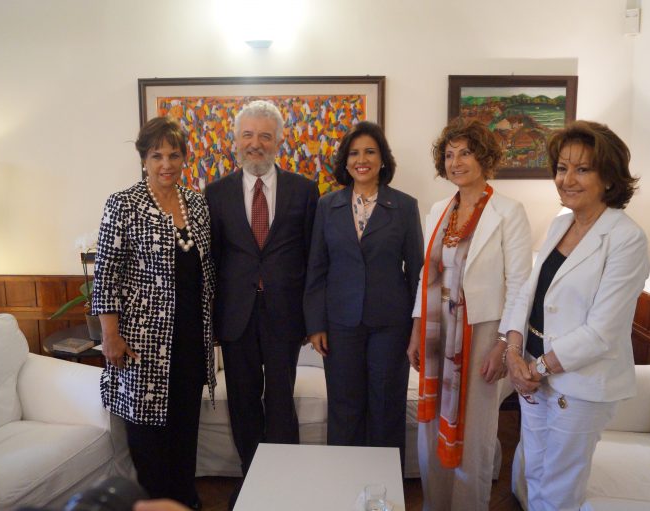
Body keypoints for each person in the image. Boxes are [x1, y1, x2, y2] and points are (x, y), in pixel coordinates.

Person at [505, 120, 650, 511]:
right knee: (532, 471)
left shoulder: (626, 238)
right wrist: (513, 351)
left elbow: (603, 331)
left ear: (609, 177)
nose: (567, 179)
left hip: (580, 384)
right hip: (533, 372)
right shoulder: (560, 223)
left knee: (560, 487)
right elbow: (529, 291)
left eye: (582, 169)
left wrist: (537, 368)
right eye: (562, 167)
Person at [406, 118, 532, 510]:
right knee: (430, 431)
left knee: (474, 434)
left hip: (482, 333)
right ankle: (434, 504)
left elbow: (520, 283)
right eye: (449, 154)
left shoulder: (508, 212)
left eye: (465, 152)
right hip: (435, 332)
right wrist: (415, 329)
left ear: (484, 156)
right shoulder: (439, 209)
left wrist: (503, 345)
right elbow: (427, 274)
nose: (456, 161)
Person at [92, 116, 216, 510]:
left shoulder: (195, 203)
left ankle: (185, 501)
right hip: (142, 345)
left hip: (190, 341)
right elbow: (106, 273)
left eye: (174, 154)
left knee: (184, 432)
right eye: (157, 155)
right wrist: (110, 335)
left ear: (184, 158)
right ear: (143, 158)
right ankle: (154, 505)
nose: (167, 163)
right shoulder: (123, 203)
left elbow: (205, 269)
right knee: (147, 438)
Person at [204, 100, 319, 480]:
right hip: (236, 315)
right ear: (236, 140)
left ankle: (285, 478)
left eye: (265, 136)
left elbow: (312, 257)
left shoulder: (304, 190)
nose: (256, 143)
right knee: (242, 400)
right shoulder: (215, 193)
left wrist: (312, 316)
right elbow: (214, 259)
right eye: (248, 135)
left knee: (282, 400)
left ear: (279, 142)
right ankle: (254, 477)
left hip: (285, 313)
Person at [304, 121, 424, 468]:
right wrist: (315, 325)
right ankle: (344, 484)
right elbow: (317, 268)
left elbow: (417, 271)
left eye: (370, 151)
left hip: (390, 323)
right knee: (344, 406)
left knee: (386, 406)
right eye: (355, 153)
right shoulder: (328, 205)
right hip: (340, 323)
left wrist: (417, 328)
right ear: (345, 161)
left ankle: (385, 491)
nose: (362, 159)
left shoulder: (403, 206)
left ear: (382, 159)